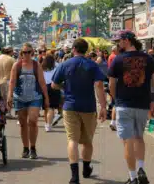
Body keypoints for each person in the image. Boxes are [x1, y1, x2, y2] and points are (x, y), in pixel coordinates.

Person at [108, 30, 154, 184]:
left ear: (127, 41)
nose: (118, 44)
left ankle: (132, 177)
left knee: (127, 141)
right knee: (139, 138)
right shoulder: (148, 59)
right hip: (143, 105)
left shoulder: (118, 60)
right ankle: (141, 168)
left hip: (124, 104)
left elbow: (111, 83)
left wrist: (115, 98)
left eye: (119, 41)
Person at [51, 38, 107, 184]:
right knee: (87, 141)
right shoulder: (92, 65)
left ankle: (74, 176)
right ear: (86, 50)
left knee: (72, 140)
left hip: (70, 106)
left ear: (74, 49)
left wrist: (64, 87)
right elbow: (99, 85)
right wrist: (103, 106)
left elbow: (54, 85)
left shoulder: (65, 64)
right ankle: (86, 168)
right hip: (88, 107)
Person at [8, 43, 49, 159]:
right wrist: (9, 96)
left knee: (32, 120)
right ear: (21, 53)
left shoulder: (37, 66)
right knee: (22, 124)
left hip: (35, 97)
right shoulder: (17, 65)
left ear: (32, 53)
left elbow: (42, 82)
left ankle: (33, 147)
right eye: (24, 52)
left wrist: (46, 97)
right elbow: (12, 82)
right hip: (20, 97)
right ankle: (25, 148)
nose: (27, 54)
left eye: (29, 52)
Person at [42, 54, 60, 132]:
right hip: (54, 86)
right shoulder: (57, 65)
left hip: (44, 87)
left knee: (46, 107)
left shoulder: (42, 66)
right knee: (51, 107)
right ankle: (49, 124)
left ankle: (47, 123)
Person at [0, 47, 15, 116]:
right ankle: (8, 112)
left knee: (2, 97)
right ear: (10, 52)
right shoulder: (11, 59)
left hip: (0, 80)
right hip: (8, 79)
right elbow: (15, 70)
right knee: (9, 97)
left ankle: (2, 111)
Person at [108, 46, 119, 131]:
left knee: (115, 103)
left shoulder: (112, 57)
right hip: (148, 93)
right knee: (152, 112)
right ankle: (151, 128)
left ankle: (113, 121)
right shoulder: (115, 58)